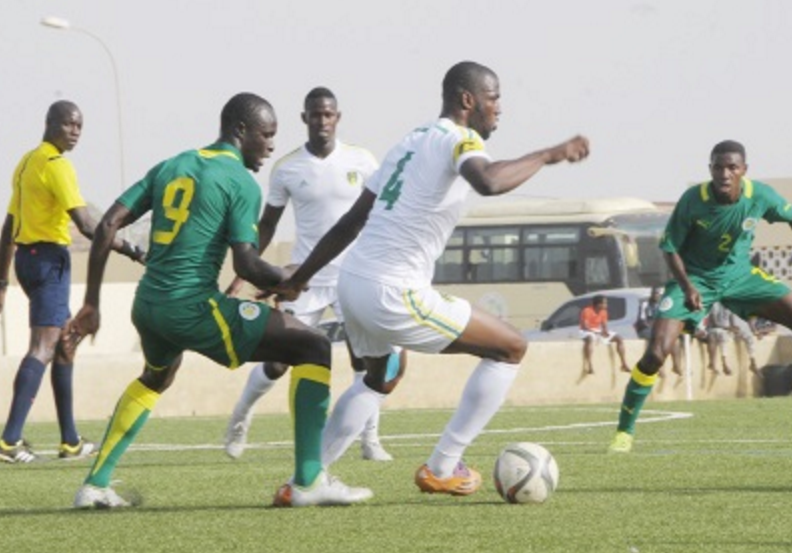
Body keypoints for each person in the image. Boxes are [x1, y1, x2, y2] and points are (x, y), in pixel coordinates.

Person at [272, 61, 589, 496]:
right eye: (494, 98)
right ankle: (443, 466)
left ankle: (305, 481)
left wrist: (300, 278)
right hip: (392, 291)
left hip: (354, 281)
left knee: (379, 377)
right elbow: (488, 182)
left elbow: (352, 221)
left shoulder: (410, 141)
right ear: (468, 100)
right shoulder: (461, 140)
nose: (499, 109)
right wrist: (550, 154)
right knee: (511, 347)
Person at [66, 93, 371, 509]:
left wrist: (91, 303)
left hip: (149, 306)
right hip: (192, 308)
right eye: (266, 135)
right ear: (241, 131)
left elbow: (106, 225)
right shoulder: (240, 181)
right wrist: (291, 279)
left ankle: (95, 486)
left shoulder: (173, 164)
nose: (269, 146)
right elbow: (246, 264)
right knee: (313, 346)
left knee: (155, 378)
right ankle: (308, 481)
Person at [608, 140, 792, 454]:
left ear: (744, 170)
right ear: (710, 169)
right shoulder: (693, 200)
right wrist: (687, 287)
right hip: (693, 279)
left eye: (732, 167)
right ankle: (624, 433)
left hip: (740, 276)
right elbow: (669, 249)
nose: (724, 173)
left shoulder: (758, 195)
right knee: (656, 353)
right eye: (718, 167)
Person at [223, 87, 399, 462]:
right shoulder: (287, 167)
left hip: (355, 277)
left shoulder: (363, 161)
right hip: (303, 279)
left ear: (338, 117)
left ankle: (371, 440)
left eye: (328, 114)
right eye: (315, 115)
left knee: (366, 361)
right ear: (304, 119)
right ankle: (241, 416)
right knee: (278, 361)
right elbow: (267, 224)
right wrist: (244, 269)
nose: (322, 121)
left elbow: (383, 215)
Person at [0, 100, 144, 464]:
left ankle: (70, 441)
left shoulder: (26, 162)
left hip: (28, 260)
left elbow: (10, 226)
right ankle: (9, 441)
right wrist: (131, 249)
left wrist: (2, 282)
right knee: (43, 345)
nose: (75, 132)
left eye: (80, 127)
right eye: (69, 124)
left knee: (65, 346)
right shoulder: (57, 166)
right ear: (50, 122)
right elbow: (90, 227)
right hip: (49, 260)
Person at [580, 295, 632, 375]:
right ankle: (589, 365)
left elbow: (604, 326)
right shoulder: (587, 310)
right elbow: (585, 326)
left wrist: (605, 332)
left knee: (619, 338)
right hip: (586, 331)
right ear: (598, 304)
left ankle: (623, 364)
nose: (606, 305)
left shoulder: (603, 312)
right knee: (590, 339)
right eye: (604, 303)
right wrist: (595, 332)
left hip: (597, 330)